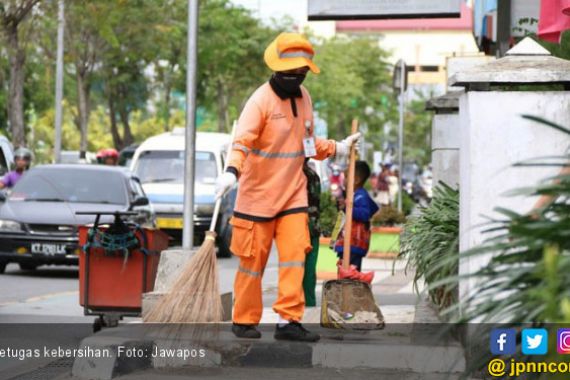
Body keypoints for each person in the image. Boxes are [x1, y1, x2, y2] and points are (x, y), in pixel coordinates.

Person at [215, 32, 360, 342]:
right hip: (257, 198)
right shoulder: (260, 101)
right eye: (291, 73)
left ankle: (288, 322)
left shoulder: (305, 98)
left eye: (301, 72)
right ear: (277, 69)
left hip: (293, 193)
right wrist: (231, 171)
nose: (296, 78)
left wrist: (339, 147)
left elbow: (306, 144)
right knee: (253, 265)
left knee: (295, 257)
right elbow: (241, 142)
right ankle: (243, 320)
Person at [334, 161, 379, 273]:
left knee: (351, 275)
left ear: (357, 179)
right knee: (344, 272)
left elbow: (365, 214)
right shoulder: (352, 195)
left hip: (353, 244)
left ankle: (350, 291)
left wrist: (348, 208)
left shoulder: (360, 196)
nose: (343, 180)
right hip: (346, 243)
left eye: (346, 177)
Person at [302, 159, 321, 308]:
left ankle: (302, 302)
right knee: (309, 268)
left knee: (299, 269)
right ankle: (309, 301)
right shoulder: (313, 175)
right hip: (313, 227)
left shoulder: (297, 175)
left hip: (300, 227)